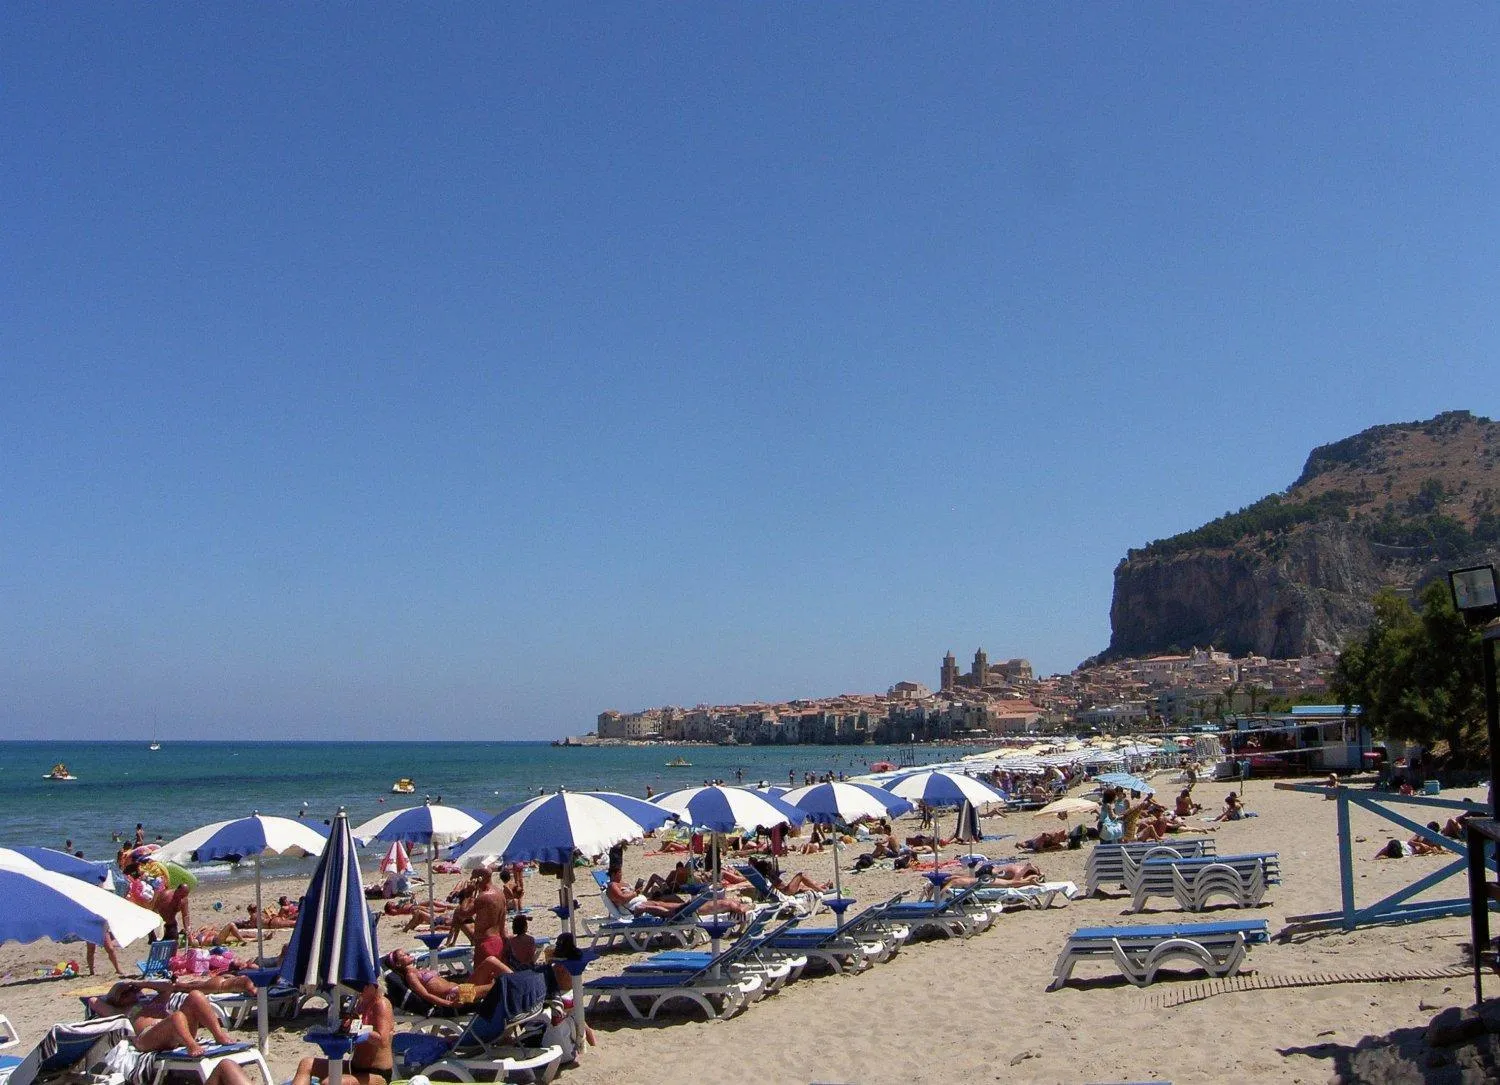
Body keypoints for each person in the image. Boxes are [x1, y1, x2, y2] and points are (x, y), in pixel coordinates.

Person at [88, 980, 235, 1053]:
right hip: (148, 1038)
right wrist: (115, 994)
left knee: (196, 996)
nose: (130, 993)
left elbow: (168, 987)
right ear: (116, 999)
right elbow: (93, 1001)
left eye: (132, 990)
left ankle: (219, 1035)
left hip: (177, 1031)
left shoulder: (152, 1001)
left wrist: (141, 983)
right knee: (176, 1016)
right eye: (124, 993)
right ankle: (192, 1046)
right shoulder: (118, 1011)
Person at [291, 981, 392, 1085]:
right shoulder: (360, 1003)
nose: (360, 987)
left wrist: (361, 1030)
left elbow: (383, 1041)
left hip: (376, 1073)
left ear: (375, 985)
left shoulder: (381, 1004)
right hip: (354, 1067)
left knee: (330, 1082)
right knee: (306, 1064)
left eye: (365, 984)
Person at [384, 949, 507, 1008]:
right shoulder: (411, 976)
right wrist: (448, 1004)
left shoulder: (418, 970)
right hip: (457, 996)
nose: (408, 954)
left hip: (461, 989)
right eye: (404, 955)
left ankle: (518, 979)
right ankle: (518, 984)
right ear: (399, 964)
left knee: (490, 961)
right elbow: (426, 995)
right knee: (498, 985)